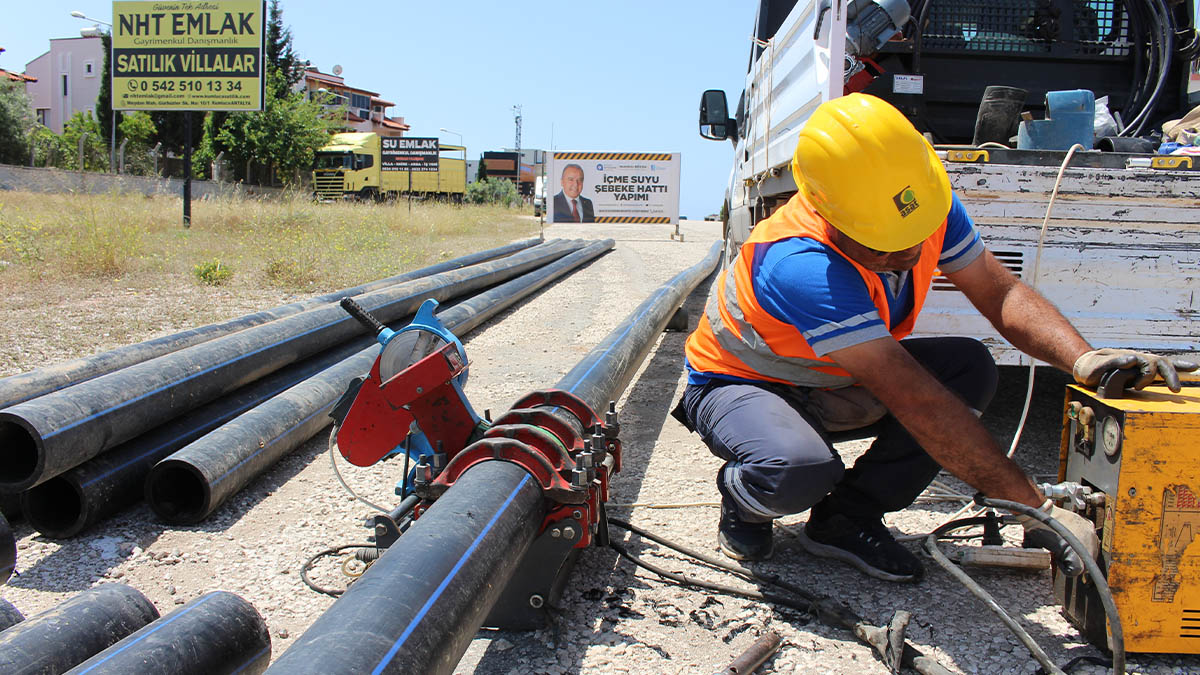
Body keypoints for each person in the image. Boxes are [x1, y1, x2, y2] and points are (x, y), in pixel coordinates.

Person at [676, 93, 1196, 582]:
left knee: (968, 367)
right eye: (882, 245)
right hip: (741, 384)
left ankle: (844, 520)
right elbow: (916, 400)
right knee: (799, 469)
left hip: (829, 376)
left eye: (913, 236)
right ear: (831, 215)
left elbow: (1001, 294)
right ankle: (744, 498)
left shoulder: (921, 206)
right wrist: (1034, 507)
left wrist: (1086, 359)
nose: (906, 252)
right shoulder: (798, 261)